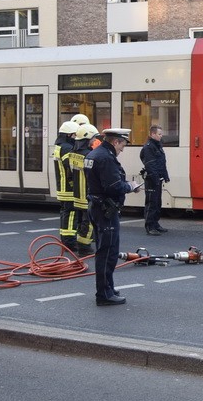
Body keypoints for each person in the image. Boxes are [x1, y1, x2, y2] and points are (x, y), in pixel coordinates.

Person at [84, 128, 142, 307]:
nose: (123, 149)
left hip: (96, 206)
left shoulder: (94, 154)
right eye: (123, 144)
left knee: (105, 250)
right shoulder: (106, 158)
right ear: (116, 141)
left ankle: (108, 287)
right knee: (107, 253)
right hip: (105, 210)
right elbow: (113, 187)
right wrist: (130, 186)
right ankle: (104, 293)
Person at [68, 124, 99, 255]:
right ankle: (84, 247)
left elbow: (70, 175)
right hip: (87, 194)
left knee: (81, 221)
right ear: (87, 139)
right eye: (93, 138)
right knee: (89, 222)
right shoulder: (89, 155)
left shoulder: (72, 154)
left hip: (77, 194)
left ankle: (81, 243)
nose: (94, 141)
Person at [53, 121, 79, 249]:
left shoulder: (59, 146)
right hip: (69, 187)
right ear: (69, 135)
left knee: (65, 213)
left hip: (62, 186)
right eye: (75, 135)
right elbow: (71, 167)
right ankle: (69, 241)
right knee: (71, 214)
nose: (76, 138)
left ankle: (65, 239)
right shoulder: (67, 148)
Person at [139, 125, 170, 236]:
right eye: (159, 134)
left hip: (157, 178)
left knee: (157, 203)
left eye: (161, 134)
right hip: (152, 179)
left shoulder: (157, 146)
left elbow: (162, 163)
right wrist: (156, 178)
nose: (161, 136)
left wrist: (165, 176)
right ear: (152, 134)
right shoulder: (149, 147)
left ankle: (155, 224)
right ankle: (150, 226)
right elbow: (150, 165)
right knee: (151, 203)